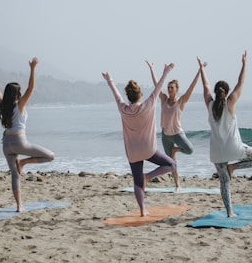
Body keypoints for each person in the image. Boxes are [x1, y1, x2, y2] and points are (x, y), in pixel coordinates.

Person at [102, 62, 176, 217]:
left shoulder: (123, 109)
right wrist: (166, 71)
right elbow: (158, 88)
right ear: (140, 95)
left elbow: (117, 95)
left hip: (133, 152)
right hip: (149, 149)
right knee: (171, 165)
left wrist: (109, 81)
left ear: (129, 97)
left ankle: (142, 211)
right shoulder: (147, 105)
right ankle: (148, 177)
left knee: (136, 182)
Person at [0, 58, 54, 212]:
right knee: (50, 156)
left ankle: (19, 206)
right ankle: (23, 162)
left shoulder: (4, 105)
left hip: (6, 144)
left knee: (14, 176)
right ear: (17, 93)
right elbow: (31, 88)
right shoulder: (19, 105)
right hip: (19, 141)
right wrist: (33, 68)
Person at [197, 51, 252, 217]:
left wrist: (202, 69)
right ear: (226, 92)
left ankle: (229, 212)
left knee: (224, 182)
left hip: (217, 152)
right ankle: (234, 166)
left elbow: (205, 87)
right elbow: (240, 83)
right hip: (235, 148)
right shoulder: (231, 102)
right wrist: (244, 63)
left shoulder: (210, 104)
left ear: (215, 93)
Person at [146, 61, 205, 191]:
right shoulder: (163, 99)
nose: (170, 89)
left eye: (172, 87)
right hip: (166, 136)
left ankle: (176, 150)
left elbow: (191, 87)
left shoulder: (181, 101)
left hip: (178, 134)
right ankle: (177, 185)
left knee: (190, 149)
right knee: (172, 164)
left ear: (177, 89)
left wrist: (200, 70)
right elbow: (157, 85)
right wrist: (152, 69)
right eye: (169, 87)